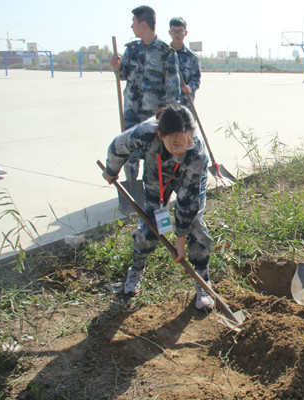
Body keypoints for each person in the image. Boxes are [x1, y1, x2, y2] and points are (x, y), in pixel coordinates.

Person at [102, 104, 214, 310]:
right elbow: (118, 146)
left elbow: (187, 201)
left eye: (188, 140)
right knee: (149, 224)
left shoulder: (196, 153)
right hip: (158, 176)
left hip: (190, 178)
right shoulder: (145, 134)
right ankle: (136, 270)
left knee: (195, 226)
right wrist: (111, 169)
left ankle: (202, 280)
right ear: (160, 135)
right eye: (176, 143)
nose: (183, 147)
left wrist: (180, 239)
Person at [110, 5, 181, 181]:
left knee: (152, 156)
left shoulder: (166, 53)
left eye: (133, 22)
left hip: (152, 117)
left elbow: (173, 90)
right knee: (129, 154)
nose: (131, 27)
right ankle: (132, 189)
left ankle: (151, 191)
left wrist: (171, 119)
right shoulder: (131, 50)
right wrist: (116, 67)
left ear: (143, 24)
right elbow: (123, 75)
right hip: (131, 113)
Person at [169, 17, 201, 105]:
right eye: (174, 31)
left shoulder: (192, 57)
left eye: (180, 31)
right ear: (169, 33)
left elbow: (196, 79)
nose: (177, 34)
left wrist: (190, 87)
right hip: (168, 102)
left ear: (185, 33)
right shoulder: (163, 54)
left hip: (186, 102)